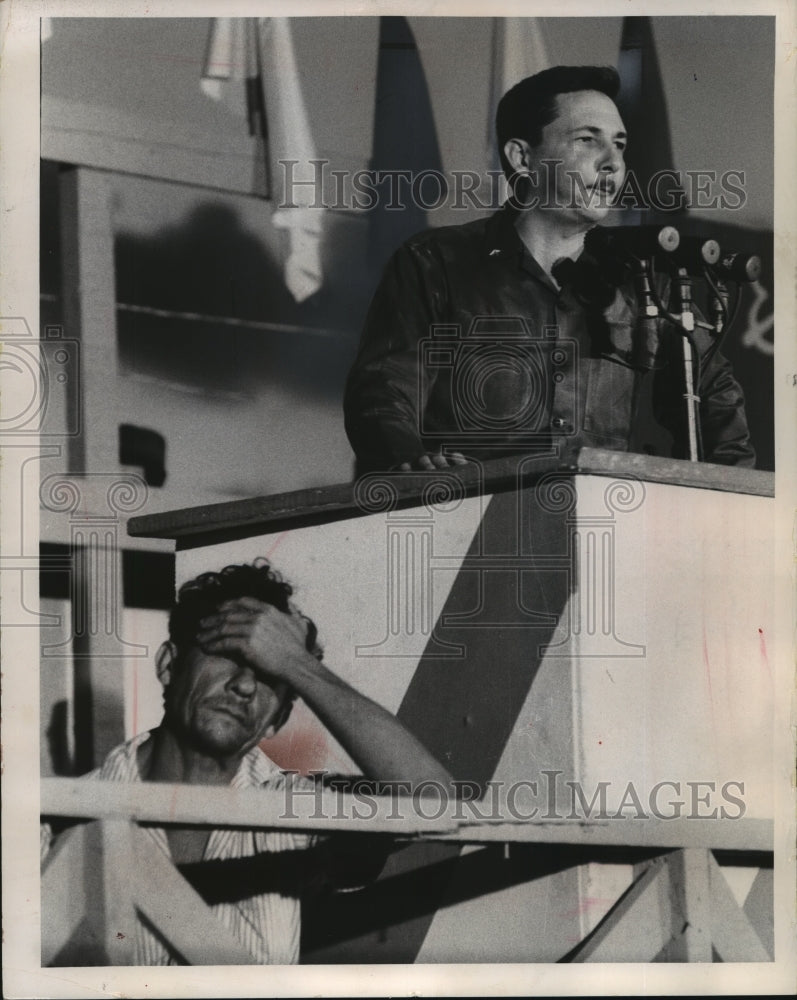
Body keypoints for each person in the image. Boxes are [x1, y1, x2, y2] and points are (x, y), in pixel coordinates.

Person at [344, 65, 756, 473]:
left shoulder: (645, 281)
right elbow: (384, 394)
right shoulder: (435, 261)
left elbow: (716, 401)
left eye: (620, 144)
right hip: (465, 520)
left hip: (604, 524)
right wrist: (413, 464)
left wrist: (730, 512)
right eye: (587, 141)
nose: (613, 163)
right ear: (522, 157)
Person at [41, 559, 453, 965]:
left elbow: (435, 800)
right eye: (229, 654)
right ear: (169, 666)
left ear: (280, 718)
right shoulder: (60, 819)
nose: (244, 685)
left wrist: (298, 665)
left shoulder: (298, 810)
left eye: (269, 674)